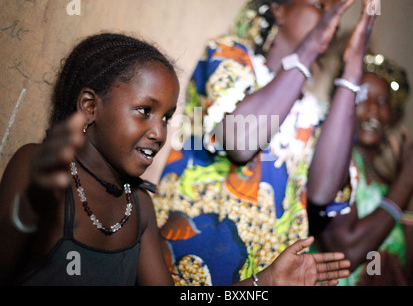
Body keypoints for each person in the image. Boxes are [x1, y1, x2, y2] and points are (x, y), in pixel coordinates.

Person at [0, 32, 351, 286]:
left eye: (166, 117)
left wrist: (264, 283)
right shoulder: (36, 166)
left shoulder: (137, 208)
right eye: (144, 111)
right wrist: (30, 210)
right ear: (90, 106)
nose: (158, 132)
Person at [153, 0, 381, 285]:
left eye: (336, 16)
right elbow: (240, 143)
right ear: (279, 10)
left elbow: (323, 192)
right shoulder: (229, 56)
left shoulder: (316, 112)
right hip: (187, 270)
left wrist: (352, 72)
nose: (331, 18)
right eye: (320, 6)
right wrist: (310, 47)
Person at [309, 52, 413, 285]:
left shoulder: (391, 184)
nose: (373, 109)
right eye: (363, 96)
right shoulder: (332, 163)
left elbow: (408, 273)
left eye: (383, 101)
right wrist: (409, 176)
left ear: (392, 117)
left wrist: (411, 184)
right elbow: (346, 254)